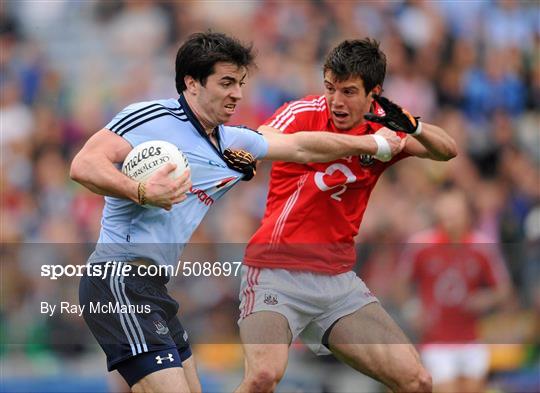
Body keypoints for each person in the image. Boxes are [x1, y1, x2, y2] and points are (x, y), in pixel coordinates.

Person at [71, 32, 406, 393]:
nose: (238, 94)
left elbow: (301, 146)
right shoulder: (150, 117)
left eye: (241, 83)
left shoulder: (232, 143)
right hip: (117, 279)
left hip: (153, 289)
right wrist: (140, 190)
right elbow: (84, 164)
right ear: (192, 83)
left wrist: (372, 143)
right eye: (226, 82)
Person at [236, 38, 457, 393]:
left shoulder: (385, 126)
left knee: (418, 381)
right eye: (330, 88)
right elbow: (261, 140)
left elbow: (448, 151)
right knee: (263, 377)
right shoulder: (303, 113)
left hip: (337, 283)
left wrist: (414, 127)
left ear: (374, 93)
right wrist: (369, 144)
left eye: (349, 91)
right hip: (274, 273)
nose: (336, 101)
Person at [395, 188, 512, 393]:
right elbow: (399, 282)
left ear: (467, 214)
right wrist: (412, 309)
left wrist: (485, 299)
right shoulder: (421, 245)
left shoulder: (482, 246)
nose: (450, 220)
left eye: (455, 214)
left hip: (471, 338)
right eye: (445, 214)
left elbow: (503, 289)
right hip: (436, 341)